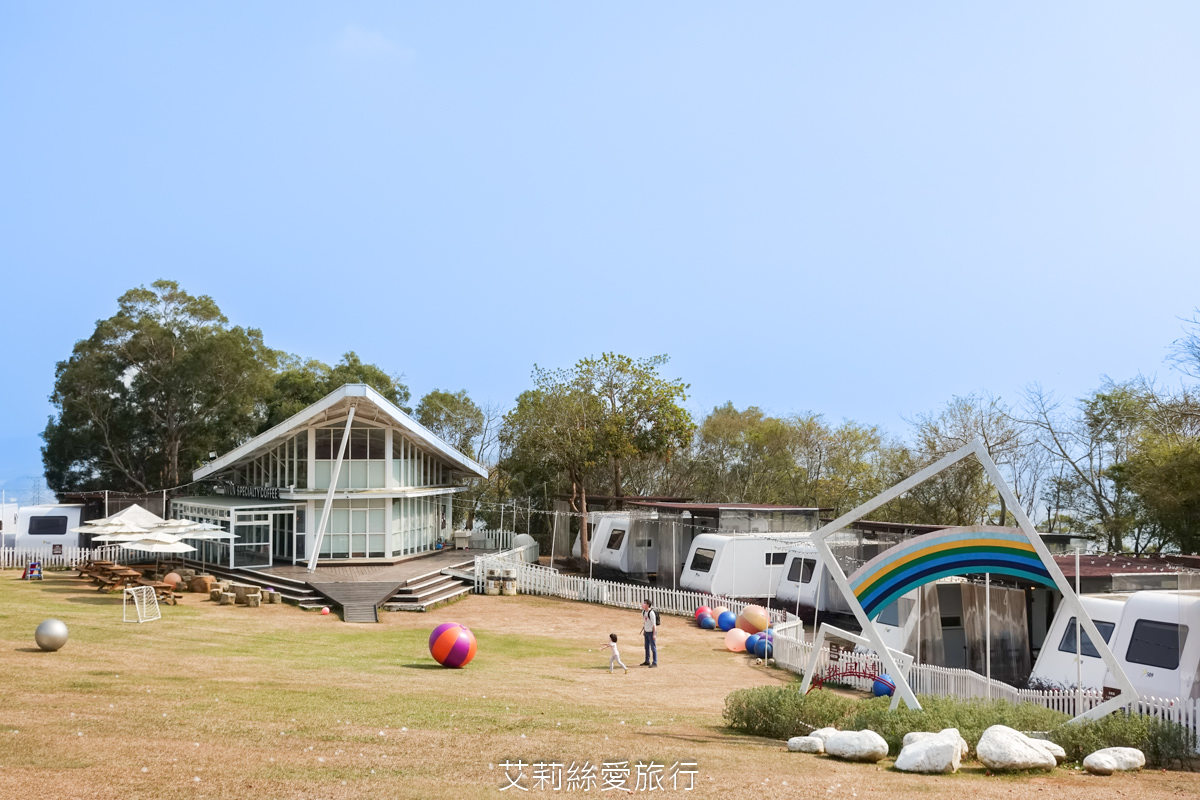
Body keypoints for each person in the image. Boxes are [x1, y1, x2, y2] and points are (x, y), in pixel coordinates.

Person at [639, 599, 657, 667]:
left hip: (651, 632)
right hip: (646, 632)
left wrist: (654, 634)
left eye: (645, 603)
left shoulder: (651, 613)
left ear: (648, 605)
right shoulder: (643, 612)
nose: (643, 604)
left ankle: (655, 662)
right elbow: (645, 622)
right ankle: (647, 661)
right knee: (646, 647)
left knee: (653, 647)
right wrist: (644, 630)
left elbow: (654, 624)